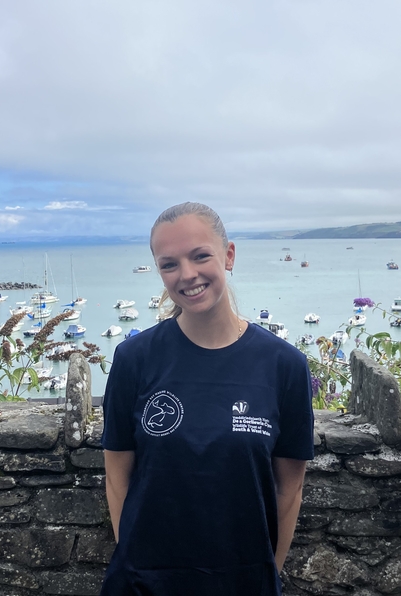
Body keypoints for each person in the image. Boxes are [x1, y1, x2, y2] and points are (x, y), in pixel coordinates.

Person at [101, 202, 314, 596]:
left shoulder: (284, 366)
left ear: (229, 255)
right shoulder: (134, 359)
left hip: (244, 582)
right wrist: (133, 561)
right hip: (143, 583)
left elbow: (289, 490)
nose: (187, 275)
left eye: (201, 256)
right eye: (169, 264)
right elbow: (117, 475)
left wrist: (268, 575)